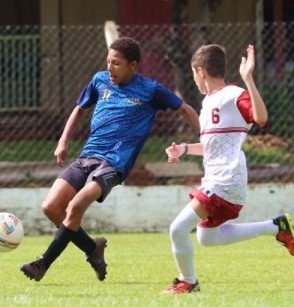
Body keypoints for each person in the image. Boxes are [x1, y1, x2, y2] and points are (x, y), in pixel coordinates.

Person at [20, 37, 200, 282]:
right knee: (51, 208)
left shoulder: (151, 90)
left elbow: (185, 109)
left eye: (116, 63)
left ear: (133, 66)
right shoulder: (100, 80)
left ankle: (42, 264)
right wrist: (63, 141)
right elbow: (79, 109)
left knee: (75, 206)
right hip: (87, 156)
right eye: (108, 62)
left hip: (114, 163)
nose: (110, 68)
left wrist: (206, 138)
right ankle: (93, 249)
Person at [162, 44, 294, 294]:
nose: (194, 78)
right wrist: (183, 149)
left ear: (200, 71)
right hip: (217, 180)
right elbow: (212, 145)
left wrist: (248, 79)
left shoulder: (234, 94)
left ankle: (187, 282)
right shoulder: (208, 103)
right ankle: (275, 226)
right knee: (206, 238)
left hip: (226, 180)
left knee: (178, 228)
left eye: (193, 73)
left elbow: (262, 118)